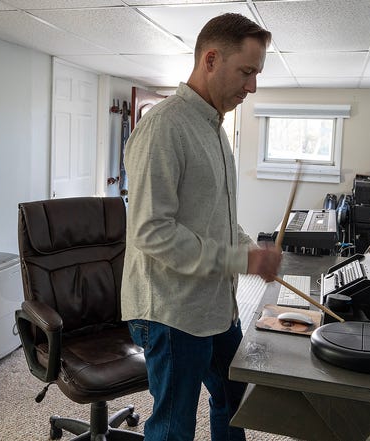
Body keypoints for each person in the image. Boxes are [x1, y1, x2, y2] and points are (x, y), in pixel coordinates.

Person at [121, 13, 279, 441]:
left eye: (257, 74)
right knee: (174, 427)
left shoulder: (215, 129)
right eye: (246, 72)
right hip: (172, 311)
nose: (252, 86)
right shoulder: (164, 126)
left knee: (235, 401)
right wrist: (237, 258)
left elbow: (217, 217)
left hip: (214, 306)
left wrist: (252, 249)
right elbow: (150, 231)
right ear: (211, 59)